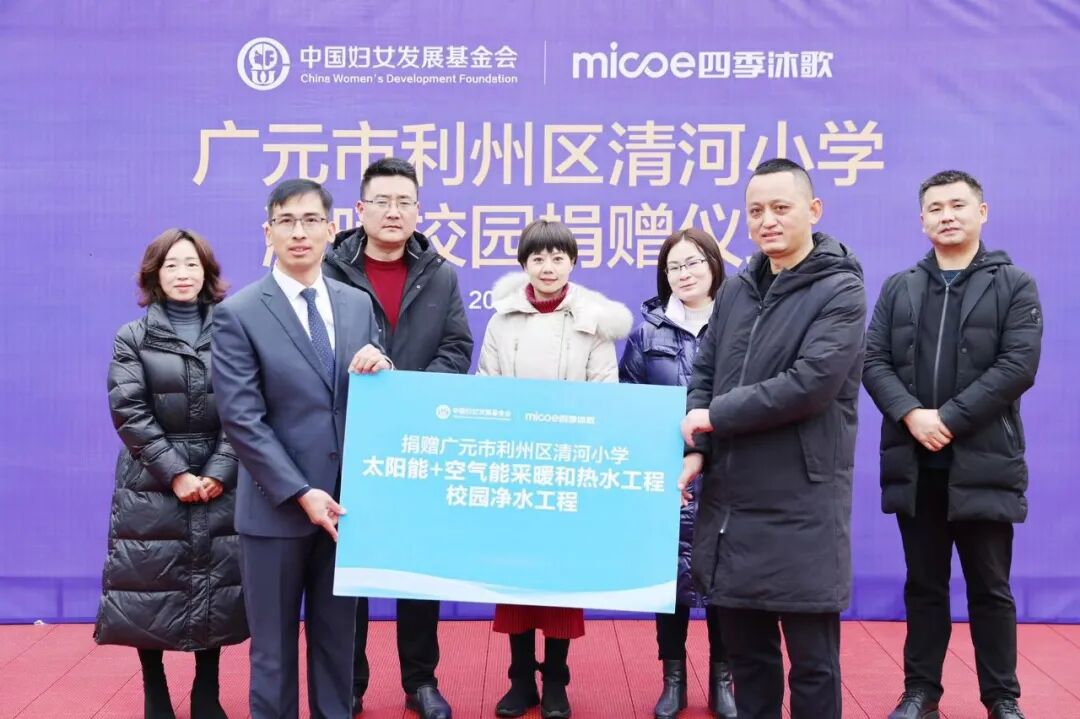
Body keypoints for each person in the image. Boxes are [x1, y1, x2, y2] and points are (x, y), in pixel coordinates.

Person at [679, 158, 866, 719]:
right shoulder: (737, 290)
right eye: (756, 210)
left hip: (802, 503)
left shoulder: (841, 289)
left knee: (813, 665)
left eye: (781, 207)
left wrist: (714, 417)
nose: (767, 220)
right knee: (750, 662)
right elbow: (705, 373)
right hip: (733, 503)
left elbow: (810, 385)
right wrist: (698, 449)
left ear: (814, 210)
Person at [864, 170, 1042, 719]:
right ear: (922, 220)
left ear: (981, 212)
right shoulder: (899, 287)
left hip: (984, 461)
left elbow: (1018, 366)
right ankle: (921, 692)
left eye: (958, 205)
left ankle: (1002, 697)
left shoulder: (1014, 284)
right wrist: (911, 415)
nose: (947, 215)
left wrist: (948, 419)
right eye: (936, 208)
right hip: (915, 461)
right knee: (924, 586)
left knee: (991, 587)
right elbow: (873, 361)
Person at [212, 179, 391, 719]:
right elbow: (242, 419)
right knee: (273, 653)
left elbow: (370, 396)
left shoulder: (356, 304)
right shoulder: (240, 312)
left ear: (332, 229)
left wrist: (383, 367)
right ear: (268, 232)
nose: (299, 232)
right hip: (276, 511)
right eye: (286, 221)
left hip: (346, 509)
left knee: (338, 649)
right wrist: (300, 491)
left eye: (311, 220)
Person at [323, 157, 472, 719]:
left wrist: (408, 395)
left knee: (417, 564)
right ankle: (350, 680)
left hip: (418, 438)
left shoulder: (440, 274)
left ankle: (421, 681)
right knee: (350, 567)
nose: (393, 211)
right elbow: (310, 347)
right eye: (382, 201)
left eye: (403, 202)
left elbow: (457, 347)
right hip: (344, 437)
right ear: (360, 209)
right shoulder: (330, 270)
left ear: (418, 210)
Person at [477, 219, 633, 719]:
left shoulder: (594, 321)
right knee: (517, 575)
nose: (548, 267)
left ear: (572, 262)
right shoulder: (502, 320)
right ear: (524, 264)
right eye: (538, 258)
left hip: (570, 466)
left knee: (562, 578)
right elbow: (487, 388)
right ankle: (520, 679)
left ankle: (557, 682)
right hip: (515, 465)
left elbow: (605, 395)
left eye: (558, 257)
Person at [96, 228, 247, 719]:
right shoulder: (132, 336)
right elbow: (129, 411)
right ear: (154, 275)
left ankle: (207, 691)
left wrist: (221, 469)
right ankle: (155, 689)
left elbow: (246, 406)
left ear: (207, 273)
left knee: (215, 586)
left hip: (221, 474)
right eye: (172, 265)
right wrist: (176, 473)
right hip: (151, 480)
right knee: (149, 586)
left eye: (192, 264)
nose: (183, 274)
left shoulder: (234, 330)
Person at [618, 228, 735, 719]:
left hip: (730, 472)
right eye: (674, 267)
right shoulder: (646, 334)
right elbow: (630, 405)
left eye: (693, 263)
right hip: (669, 475)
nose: (684, 274)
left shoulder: (739, 325)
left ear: (714, 266)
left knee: (726, 579)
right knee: (670, 580)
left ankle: (724, 678)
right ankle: (673, 677)